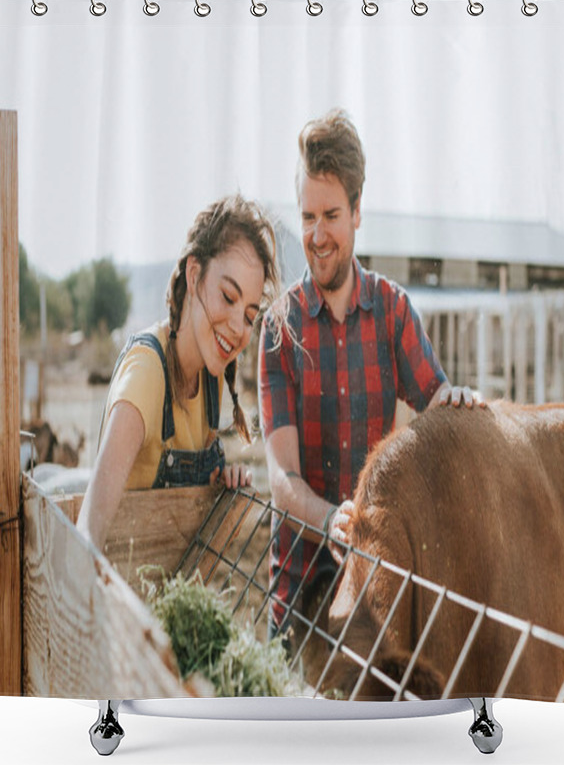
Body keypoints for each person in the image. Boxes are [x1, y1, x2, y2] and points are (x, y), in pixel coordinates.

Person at [258, 109, 484, 642]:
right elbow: (281, 479)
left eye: (331, 215)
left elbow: (436, 404)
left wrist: (456, 401)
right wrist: (331, 518)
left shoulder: (392, 312)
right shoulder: (278, 328)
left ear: (358, 211)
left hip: (373, 590)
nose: (316, 235)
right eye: (307, 216)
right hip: (298, 591)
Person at [77, 194, 282, 551]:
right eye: (228, 296)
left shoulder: (209, 378)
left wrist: (220, 489)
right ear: (194, 273)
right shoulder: (146, 373)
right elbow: (88, 533)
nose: (238, 327)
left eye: (250, 315)